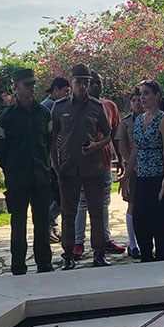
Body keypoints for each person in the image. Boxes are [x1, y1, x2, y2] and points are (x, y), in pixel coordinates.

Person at [51, 64, 112, 270]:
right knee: (69, 214)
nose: (83, 85)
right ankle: (68, 255)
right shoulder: (59, 107)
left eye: (86, 82)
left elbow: (109, 134)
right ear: (72, 82)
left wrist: (97, 145)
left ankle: (99, 253)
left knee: (97, 213)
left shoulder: (97, 106)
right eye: (79, 81)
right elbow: (52, 137)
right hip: (68, 169)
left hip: (94, 168)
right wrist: (55, 165)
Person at [0, 68, 54, 275]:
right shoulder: (7, 117)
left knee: (42, 222)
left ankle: (44, 263)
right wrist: (11, 170)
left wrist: (42, 167)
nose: (31, 88)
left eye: (33, 84)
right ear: (16, 87)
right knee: (18, 223)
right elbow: (1, 150)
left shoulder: (43, 113)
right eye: (27, 84)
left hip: (40, 177)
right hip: (18, 179)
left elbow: (48, 144)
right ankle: (18, 265)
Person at [71, 70, 124, 258]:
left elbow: (115, 135)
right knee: (82, 203)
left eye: (99, 83)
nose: (96, 86)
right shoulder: (74, 106)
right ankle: (78, 242)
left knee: (103, 204)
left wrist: (120, 159)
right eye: (92, 83)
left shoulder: (110, 106)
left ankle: (104, 238)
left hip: (104, 163)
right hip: (82, 164)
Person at [132, 80, 164, 262]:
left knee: (161, 221)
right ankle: (146, 257)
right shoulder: (139, 118)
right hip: (142, 175)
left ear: (157, 95)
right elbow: (136, 147)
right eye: (141, 94)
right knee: (140, 219)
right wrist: (127, 174)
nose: (142, 97)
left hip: (159, 175)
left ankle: (163, 258)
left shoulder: (163, 120)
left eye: (146, 93)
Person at [114, 86, 143, 259]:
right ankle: (132, 244)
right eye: (134, 100)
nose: (137, 103)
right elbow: (121, 146)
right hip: (133, 171)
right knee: (132, 204)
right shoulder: (125, 123)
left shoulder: (154, 119)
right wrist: (130, 166)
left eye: (140, 99)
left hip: (150, 168)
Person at [40, 76, 69, 243]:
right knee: (57, 196)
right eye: (65, 91)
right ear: (56, 90)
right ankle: (48, 225)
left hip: (53, 159)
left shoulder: (48, 105)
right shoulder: (50, 107)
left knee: (57, 195)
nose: (67, 95)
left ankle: (52, 226)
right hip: (52, 160)